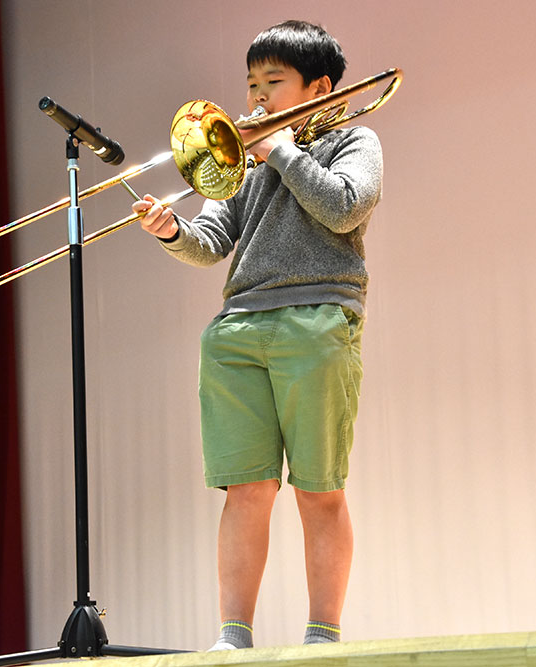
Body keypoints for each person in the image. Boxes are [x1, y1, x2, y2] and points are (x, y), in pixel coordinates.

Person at [132, 20, 383, 651]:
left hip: (316, 318)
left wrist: (280, 150)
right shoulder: (242, 161)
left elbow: (344, 206)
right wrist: (171, 232)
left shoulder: (354, 139)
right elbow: (211, 243)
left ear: (318, 86)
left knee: (319, 490)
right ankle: (233, 638)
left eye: (274, 82)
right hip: (237, 329)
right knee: (246, 490)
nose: (257, 98)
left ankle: (323, 637)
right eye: (251, 83)